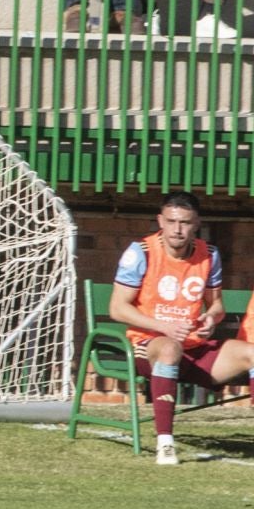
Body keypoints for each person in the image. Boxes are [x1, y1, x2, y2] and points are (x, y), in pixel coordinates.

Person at [109, 192, 254, 466]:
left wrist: (210, 319)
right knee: (169, 347)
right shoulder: (141, 252)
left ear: (196, 223)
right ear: (160, 221)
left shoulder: (209, 255)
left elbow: (217, 306)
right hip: (150, 346)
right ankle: (165, 444)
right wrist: (164, 326)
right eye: (171, 221)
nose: (177, 229)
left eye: (185, 222)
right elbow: (117, 308)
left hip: (194, 347)